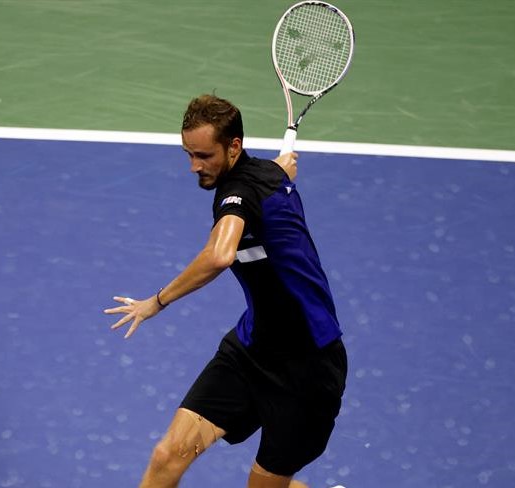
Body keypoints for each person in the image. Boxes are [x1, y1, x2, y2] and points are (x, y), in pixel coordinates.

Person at [104, 94, 347, 488]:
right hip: (253, 350)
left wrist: (156, 302)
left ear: (234, 146)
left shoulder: (241, 193)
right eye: (188, 154)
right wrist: (277, 171)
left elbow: (219, 256)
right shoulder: (267, 178)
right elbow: (268, 180)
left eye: (204, 155)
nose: (194, 166)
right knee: (167, 456)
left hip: (308, 367)